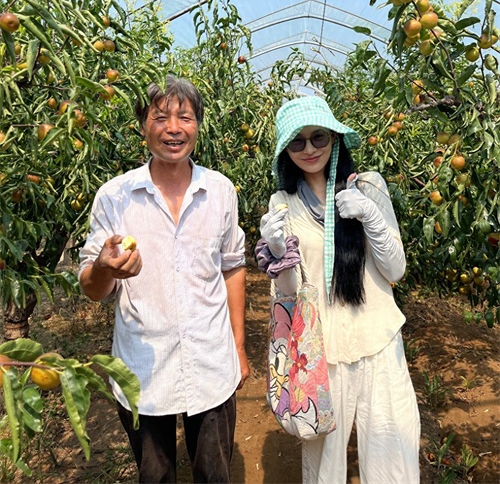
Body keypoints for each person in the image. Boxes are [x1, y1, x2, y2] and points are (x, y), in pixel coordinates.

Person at [79, 75, 249, 484]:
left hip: (210, 364)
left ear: (197, 126)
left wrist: (239, 348)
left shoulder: (220, 191)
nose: (174, 128)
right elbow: (91, 288)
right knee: (154, 475)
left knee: (214, 474)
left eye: (185, 117)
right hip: (144, 370)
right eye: (160, 117)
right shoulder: (115, 196)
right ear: (143, 127)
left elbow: (232, 266)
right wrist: (104, 268)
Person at [257, 95, 420, 484]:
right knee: (324, 466)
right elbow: (290, 294)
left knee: (393, 456)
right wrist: (278, 254)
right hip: (321, 351)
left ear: (334, 138)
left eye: (319, 137)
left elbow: (395, 269)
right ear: (285, 151)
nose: (309, 149)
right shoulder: (283, 203)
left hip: (379, 339)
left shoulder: (368, 185)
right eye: (297, 141)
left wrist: (370, 216)